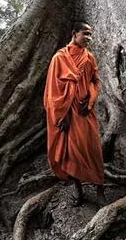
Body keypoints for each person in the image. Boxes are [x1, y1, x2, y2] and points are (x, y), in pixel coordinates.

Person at [44, 21, 106, 205]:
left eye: (90, 34)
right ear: (74, 33)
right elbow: (52, 90)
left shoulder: (89, 58)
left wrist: (90, 99)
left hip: (85, 112)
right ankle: (79, 191)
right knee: (72, 154)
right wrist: (60, 116)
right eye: (85, 33)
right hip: (68, 115)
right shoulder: (59, 58)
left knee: (93, 150)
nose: (89, 38)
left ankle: (99, 190)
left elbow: (96, 82)